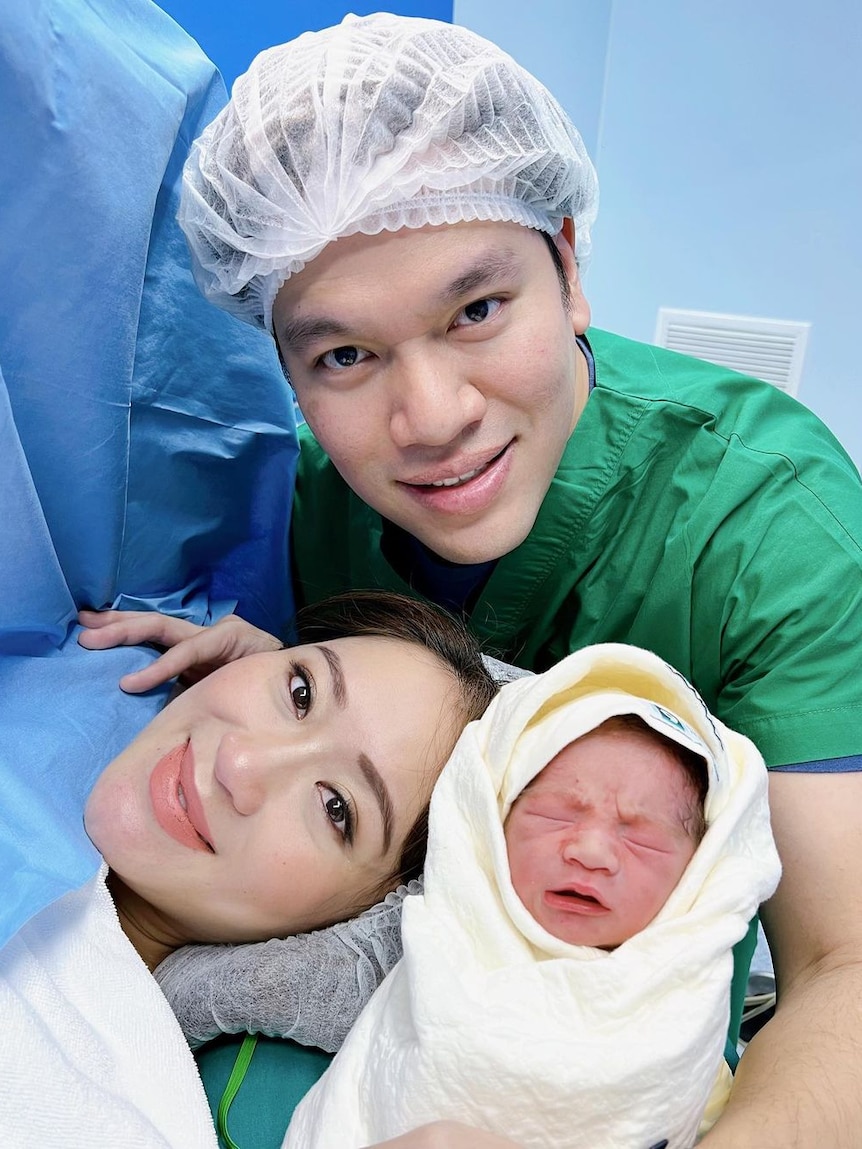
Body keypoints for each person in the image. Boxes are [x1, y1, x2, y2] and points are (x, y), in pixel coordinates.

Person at [80, 12, 862, 1146]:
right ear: (286, 364)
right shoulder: (302, 495)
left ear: (569, 263)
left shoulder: (763, 525)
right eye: (343, 354)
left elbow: (843, 961)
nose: (432, 420)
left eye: (477, 310)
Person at [1, 590, 498, 1147]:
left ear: (352, 926)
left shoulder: (117, 1113)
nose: (241, 762)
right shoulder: (73, 635)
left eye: (336, 808)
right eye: (301, 691)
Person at [284, 643, 781, 1149]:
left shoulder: (687, 1028)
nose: (590, 851)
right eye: (556, 815)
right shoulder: (433, 946)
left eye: (640, 837)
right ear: (489, 821)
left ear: (699, 871)